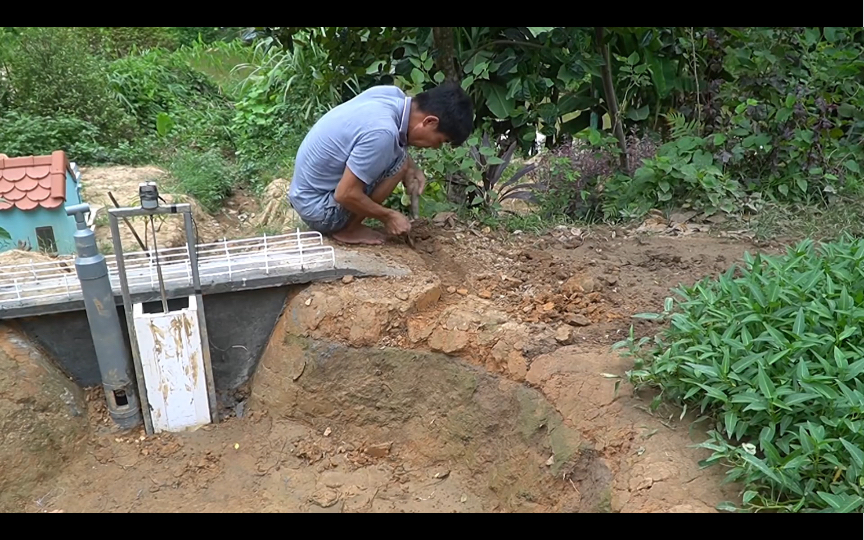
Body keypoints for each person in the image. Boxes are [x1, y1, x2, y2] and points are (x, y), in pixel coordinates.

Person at [287, 82, 474, 245]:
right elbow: (344, 194)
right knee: (400, 162)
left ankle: (351, 223)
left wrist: (414, 167)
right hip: (319, 210)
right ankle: (349, 230)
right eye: (439, 140)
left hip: (305, 193)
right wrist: (388, 216)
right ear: (430, 122)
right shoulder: (383, 134)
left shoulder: (392, 96)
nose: (434, 147)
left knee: (402, 157)